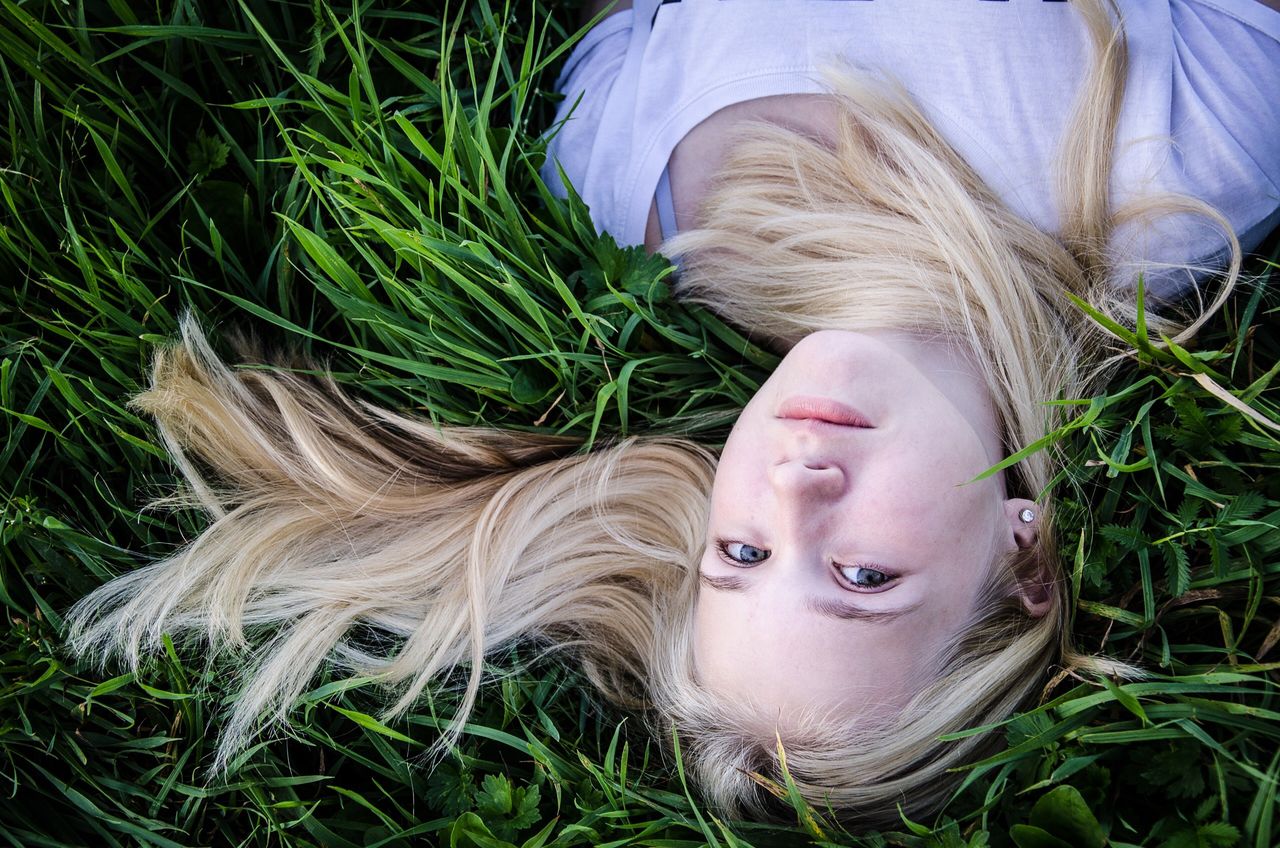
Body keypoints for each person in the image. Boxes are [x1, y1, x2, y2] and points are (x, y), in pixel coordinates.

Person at [67, 0, 1280, 828]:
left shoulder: (610, 186)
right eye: (860, 573)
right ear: (1022, 553)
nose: (796, 489)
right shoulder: (1174, 181)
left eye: (740, 554)